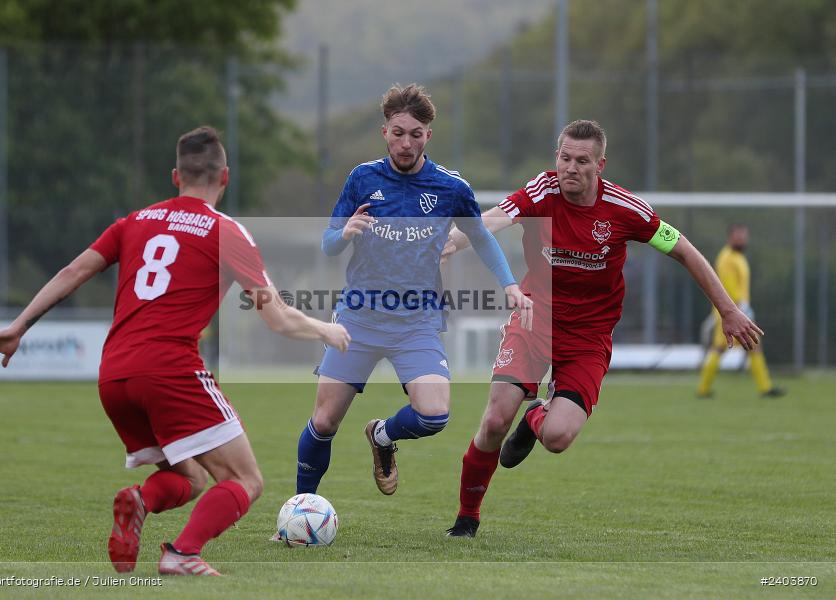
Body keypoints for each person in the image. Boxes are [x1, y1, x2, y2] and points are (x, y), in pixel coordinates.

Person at [0, 126, 350, 575]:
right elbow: (278, 317)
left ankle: (141, 499)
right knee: (245, 479)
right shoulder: (226, 231)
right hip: (169, 370)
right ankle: (182, 554)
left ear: (175, 176)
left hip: (114, 375)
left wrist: (18, 327)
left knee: (191, 476)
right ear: (225, 177)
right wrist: (326, 330)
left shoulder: (133, 222)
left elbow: (73, 271)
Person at [440, 120, 764, 537]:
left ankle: (536, 416)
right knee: (495, 419)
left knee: (557, 437)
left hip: (588, 339)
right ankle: (467, 517)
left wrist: (728, 310)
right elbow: (493, 220)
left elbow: (683, 250)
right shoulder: (542, 191)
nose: (570, 168)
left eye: (582, 161)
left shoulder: (625, 209)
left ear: (600, 165)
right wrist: (451, 242)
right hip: (534, 321)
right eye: (564, 158)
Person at [292, 84, 532, 500]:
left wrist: (510, 283)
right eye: (398, 133)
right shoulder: (362, 178)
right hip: (359, 318)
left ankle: (382, 436)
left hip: (417, 320)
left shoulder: (450, 187)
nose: (406, 143)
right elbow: (328, 243)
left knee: (434, 415)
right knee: (325, 421)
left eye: (415, 134)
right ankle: (300, 508)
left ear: (428, 136)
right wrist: (344, 232)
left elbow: (481, 237)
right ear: (385, 132)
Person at [697, 224, 785, 398]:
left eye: (744, 236)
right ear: (730, 237)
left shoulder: (739, 258)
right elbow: (727, 285)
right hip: (729, 312)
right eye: (738, 236)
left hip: (738, 310)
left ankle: (765, 388)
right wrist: (741, 305)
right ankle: (703, 389)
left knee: (753, 346)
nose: (742, 240)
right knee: (719, 348)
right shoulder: (726, 258)